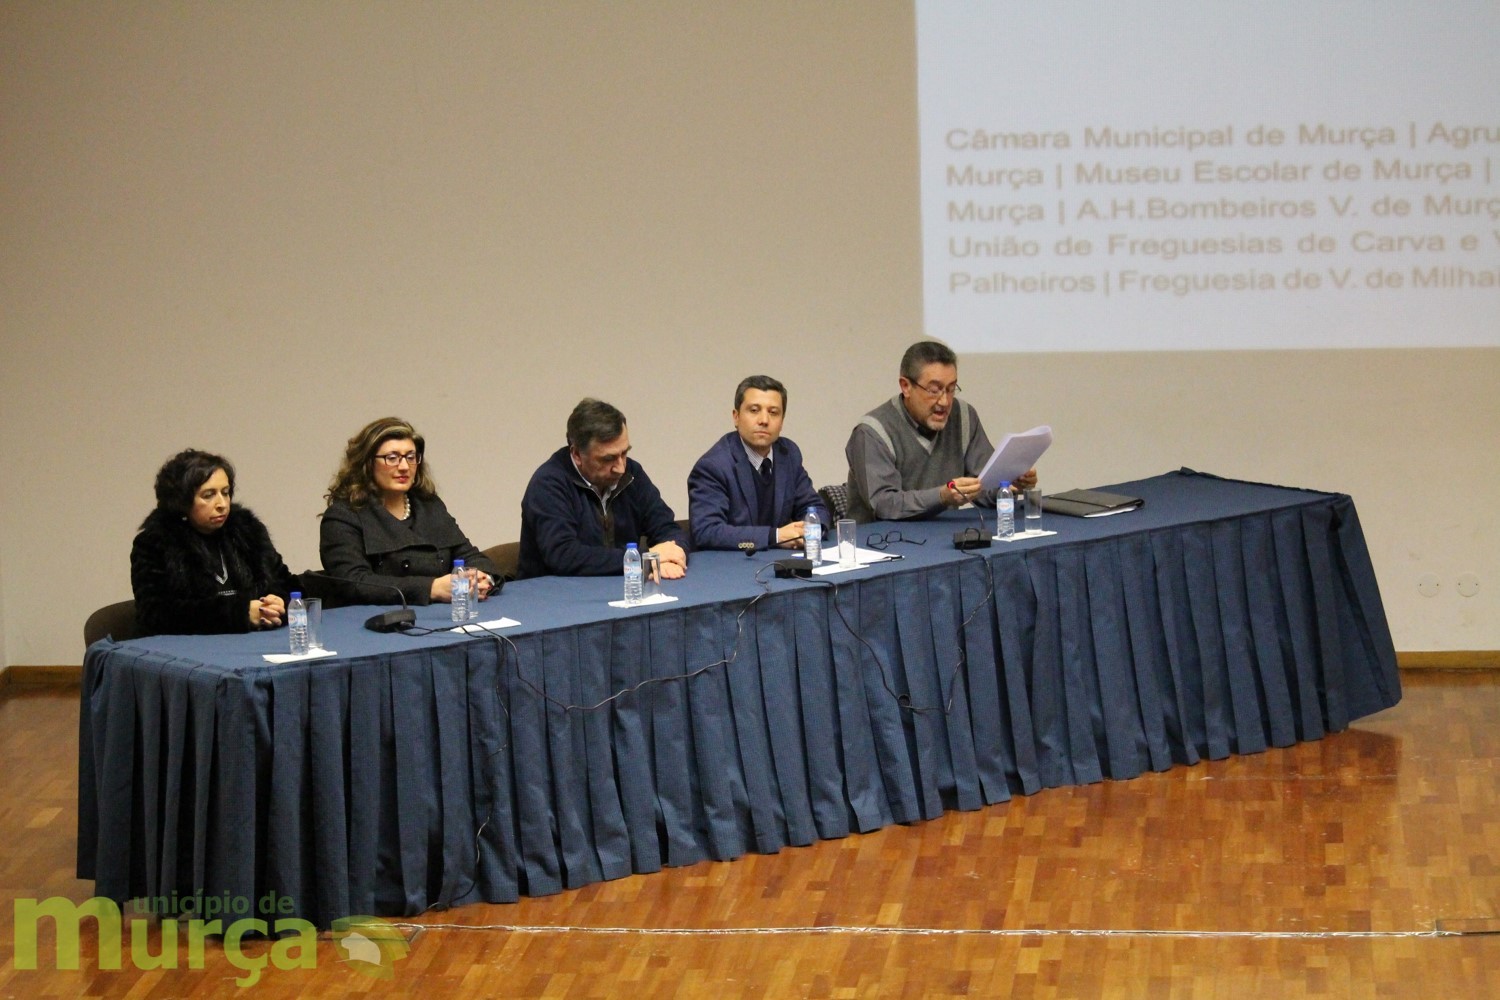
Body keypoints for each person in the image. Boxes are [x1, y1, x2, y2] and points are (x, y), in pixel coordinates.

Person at [844, 340, 1037, 523]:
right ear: (906, 386)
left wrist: (1009, 485)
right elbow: (884, 505)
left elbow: (982, 487)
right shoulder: (872, 432)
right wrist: (942, 496)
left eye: (951, 389)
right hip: (881, 541)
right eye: (934, 390)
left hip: (944, 537)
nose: (944, 401)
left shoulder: (963, 416)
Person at [320, 417, 500, 605]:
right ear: (367, 463)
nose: (404, 467)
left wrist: (480, 577)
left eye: (411, 457)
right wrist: (431, 589)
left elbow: (470, 555)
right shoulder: (343, 516)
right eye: (392, 458)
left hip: (442, 615)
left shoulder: (429, 505)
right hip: (379, 619)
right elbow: (354, 583)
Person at [131, 449, 298, 635]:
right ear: (181, 501)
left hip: (256, 641)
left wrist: (279, 602)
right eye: (208, 495)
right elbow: (155, 614)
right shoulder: (155, 543)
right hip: (191, 648)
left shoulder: (249, 531)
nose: (222, 504)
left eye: (225, 493)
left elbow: (291, 586)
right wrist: (239, 613)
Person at [518, 398, 688, 579]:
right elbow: (563, 556)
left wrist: (673, 556)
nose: (620, 468)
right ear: (577, 454)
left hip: (620, 586)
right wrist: (645, 558)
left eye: (624, 453)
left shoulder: (632, 473)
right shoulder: (548, 484)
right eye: (608, 459)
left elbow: (668, 528)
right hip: (556, 593)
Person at [686, 375, 824, 551]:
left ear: (782, 421)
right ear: (736, 417)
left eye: (773, 413)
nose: (764, 420)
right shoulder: (713, 466)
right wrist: (776, 537)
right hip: (732, 564)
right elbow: (707, 532)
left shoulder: (788, 454)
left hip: (780, 561)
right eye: (754, 410)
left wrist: (808, 530)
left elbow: (815, 508)